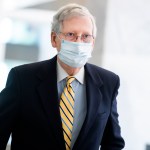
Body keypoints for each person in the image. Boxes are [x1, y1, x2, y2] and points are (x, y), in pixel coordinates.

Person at [0, 3, 125, 150]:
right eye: (71, 35)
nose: (79, 42)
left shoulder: (108, 82)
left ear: (92, 42)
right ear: (54, 39)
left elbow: (113, 143)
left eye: (86, 36)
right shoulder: (22, 78)